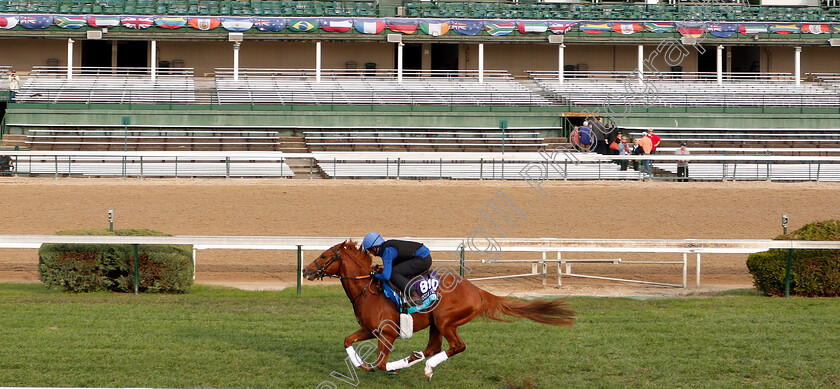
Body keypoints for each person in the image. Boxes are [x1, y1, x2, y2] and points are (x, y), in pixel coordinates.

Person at [362, 232, 432, 302]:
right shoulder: (387, 247)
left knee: (394, 273)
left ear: (374, 248)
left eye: (369, 250)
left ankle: (414, 295)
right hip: (423, 256)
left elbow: (386, 276)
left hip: (423, 259)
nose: (370, 253)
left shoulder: (387, 252)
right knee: (395, 269)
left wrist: (375, 275)